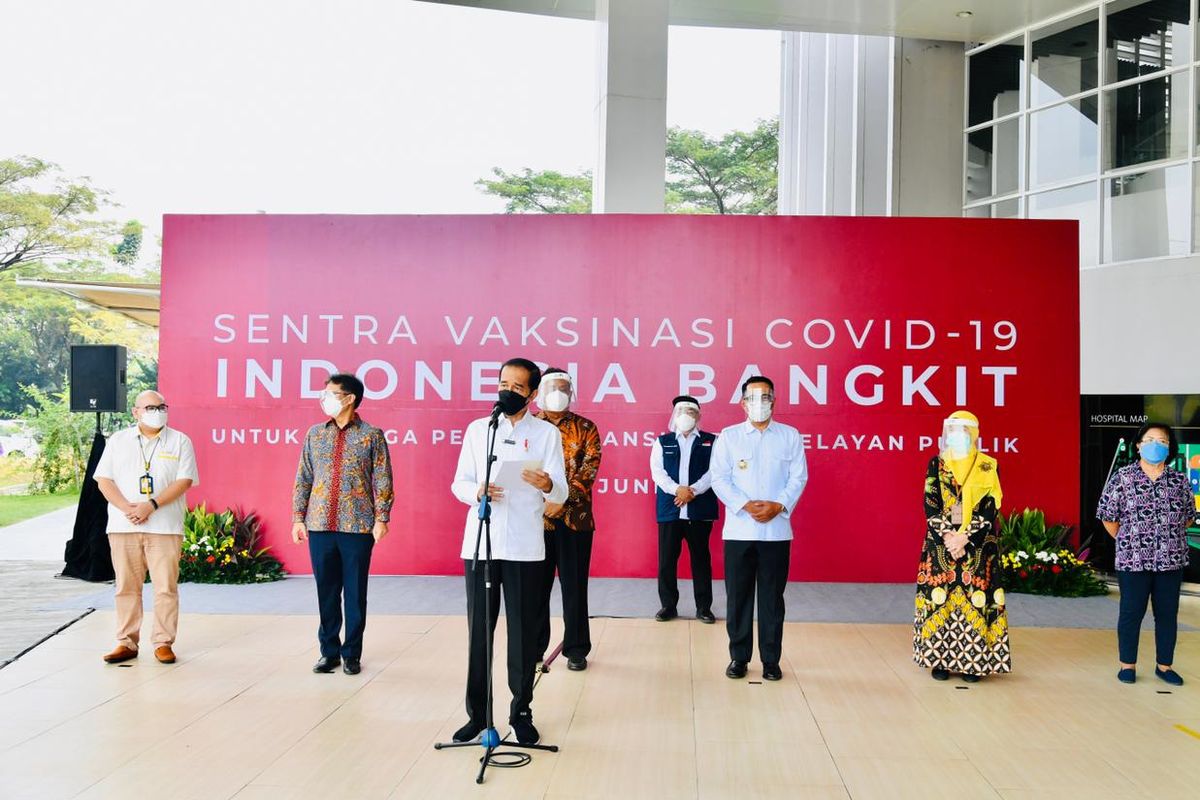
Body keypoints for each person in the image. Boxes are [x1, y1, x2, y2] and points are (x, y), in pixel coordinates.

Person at [450, 358, 568, 745]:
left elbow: (561, 492)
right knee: (479, 633)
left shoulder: (546, 434)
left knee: (522, 634)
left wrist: (548, 482)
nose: (508, 391)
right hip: (481, 544)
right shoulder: (478, 429)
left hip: (523, 546)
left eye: (518, 387)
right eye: (503, 383)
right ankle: (478, 715)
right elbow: (460, 483)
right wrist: (477, 491)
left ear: (533, 394)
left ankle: (521, 712)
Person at [291, 373, 393, 676]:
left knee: (355, 593)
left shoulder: (371, 435)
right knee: (326, 591)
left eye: (331, 393)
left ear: (349, 398)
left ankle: (352, 653)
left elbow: (383, 479)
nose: (325, 398)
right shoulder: (315, 434)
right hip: (320, 523)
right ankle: (329, 652)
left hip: (358, 526)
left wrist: (382, 518)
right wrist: (298, 517)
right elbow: (303, 477)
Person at [710, 376, 808, 681]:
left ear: (774, 401)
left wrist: (778, 505)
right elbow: (719, 478)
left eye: (765, 397)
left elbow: (798, 478)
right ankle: (738, 658)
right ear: (742, 403)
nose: (759, 404)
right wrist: (745, 505)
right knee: (738, 597)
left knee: (771, 598)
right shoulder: (728, 437)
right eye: (753, 398)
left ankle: (770, 660)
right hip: (739, 531)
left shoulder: (790, 436)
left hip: (776, 532)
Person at [93, 390, 199, 665]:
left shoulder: (179, 441)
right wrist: (127, 507)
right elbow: (104, 480)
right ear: (136, 411)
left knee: (165, 587)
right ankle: (126, 642)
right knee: (126, 587)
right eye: (151, 407)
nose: (158, 411)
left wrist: (150, 505)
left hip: (164, 526)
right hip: (123, 525)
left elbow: (184, 480)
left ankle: (163, 642)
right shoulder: (119, 441)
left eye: (162, 406)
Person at [913, 410, 1010, 682]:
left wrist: (965, 536)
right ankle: (940, 661)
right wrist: (949, 537)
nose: (957, 436)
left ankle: (972, 663)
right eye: (952, 430)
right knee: (939, 601)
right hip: (941, 547)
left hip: (977, 547)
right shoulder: (937, 464)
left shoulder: (988, 465)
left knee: (976, 601)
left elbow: (990, 505)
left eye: (963, 431)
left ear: (974, 434)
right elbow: (930, 503)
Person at [1098, 422, 1194, 686]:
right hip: (1133, 560)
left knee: (1167, 614)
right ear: (1138, 445)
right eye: (1150, 439)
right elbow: (1108, 517)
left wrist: (1166, 536)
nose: (1155, 445)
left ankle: (1165, 666)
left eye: (1162, 441)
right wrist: (1130, 540)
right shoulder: (1123, 477)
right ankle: (1127, 665)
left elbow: (1187, 518)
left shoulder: (1179, 481)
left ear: (1169, 449)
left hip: (1170, 560)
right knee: (1131, 612)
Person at [534, 368, 602, 671]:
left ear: (572, 392)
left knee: (575, 588)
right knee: (534, 589)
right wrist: (543, 502)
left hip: (576, 520)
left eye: (564, 388)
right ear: (539, 392)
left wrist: (559, 501)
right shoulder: (528, 426)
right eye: (552, 388)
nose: (558, 393)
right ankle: (533, 647)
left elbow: (588, 472)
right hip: (534, 521)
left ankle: (576, 649)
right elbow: (520, 471)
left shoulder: (586, 427)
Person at [650, 395, 718, 624]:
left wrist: (693, 491)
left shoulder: (712, 441)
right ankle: (668, 606)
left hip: (699, 510)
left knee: (701, 560)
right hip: (670, 509)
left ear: (698, 416)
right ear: (674, 416)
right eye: (682, 412)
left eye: (691, 413)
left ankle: (704, 608)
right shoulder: (662, 442)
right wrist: (678, 490)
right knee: (667, 560)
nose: (686, 417)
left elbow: (714, 472)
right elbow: (657, 473)